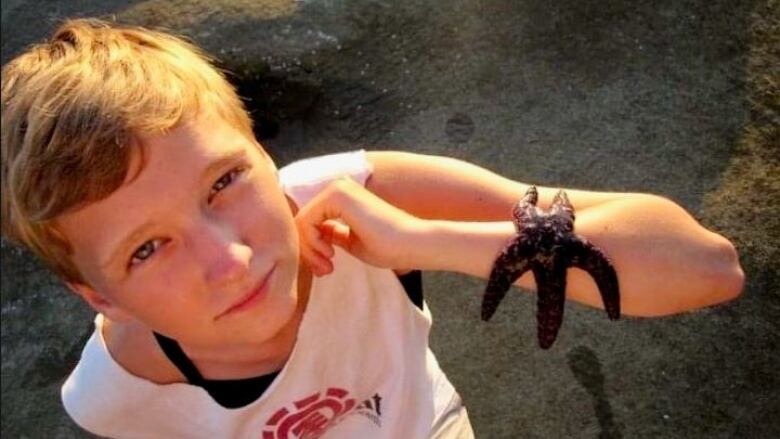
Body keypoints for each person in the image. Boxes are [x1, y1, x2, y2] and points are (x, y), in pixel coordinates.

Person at [1, 18, 744, 439]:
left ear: (263, 151)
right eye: (147, 247)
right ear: (101, 298)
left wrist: (429, 242)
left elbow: (705, 266)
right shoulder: (114, 396)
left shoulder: (359, 195)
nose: (229, 257)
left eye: (224, 181)